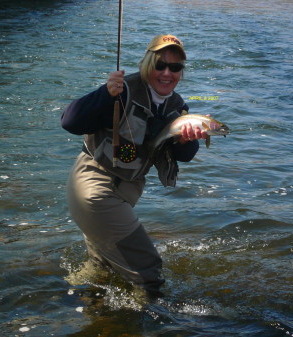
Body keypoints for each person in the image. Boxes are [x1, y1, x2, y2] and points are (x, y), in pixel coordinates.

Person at [61, 35, 207, 296]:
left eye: (175, 68)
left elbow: (184, 156)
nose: (166, 73)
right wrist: (104, 94)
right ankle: (159, 325)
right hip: (95, 188)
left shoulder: (178, 107)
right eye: (160, 65)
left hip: (125, 193)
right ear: (147, 64)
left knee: (103, 269)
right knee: (148, 271)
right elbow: (70, 122)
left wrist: (187, 141)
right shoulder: (122, 90)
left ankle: (90, 314)